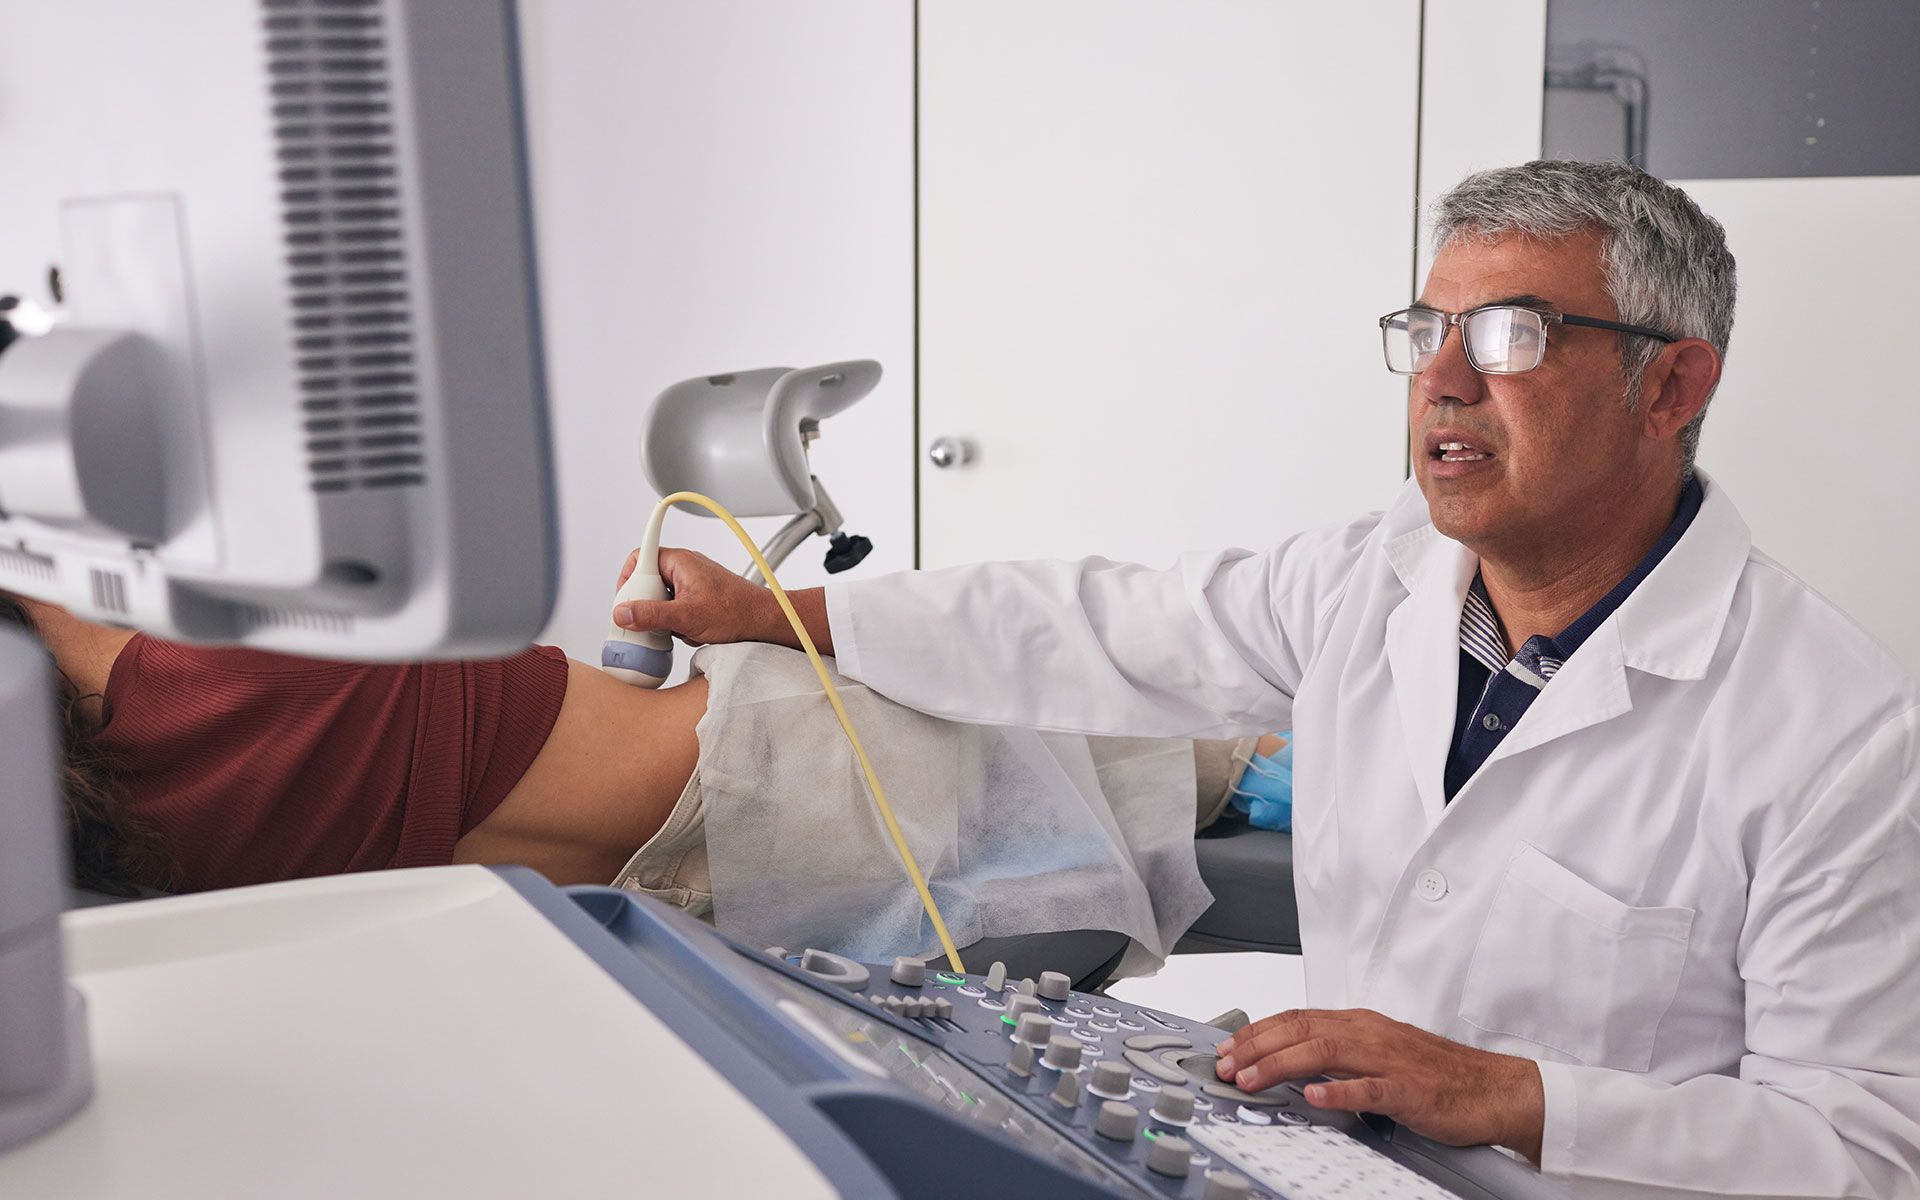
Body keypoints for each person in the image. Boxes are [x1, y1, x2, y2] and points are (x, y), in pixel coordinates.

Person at [612, 160, 1920, 1195]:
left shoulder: (1838, 733)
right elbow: (1098, 625)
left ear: (1672, 385)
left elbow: (1863, 1156)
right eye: (1428, 329)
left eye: (1514, 334)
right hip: (1335, 1161)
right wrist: (785, 612)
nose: (1446, 382)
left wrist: (1512, 1094)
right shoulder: (1378, 578)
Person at [3, 588, 1279, 969]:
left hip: (678, 900)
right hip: (798, 760)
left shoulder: (96, 838)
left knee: (1214, 782)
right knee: (1230, 769)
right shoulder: (168, 652)